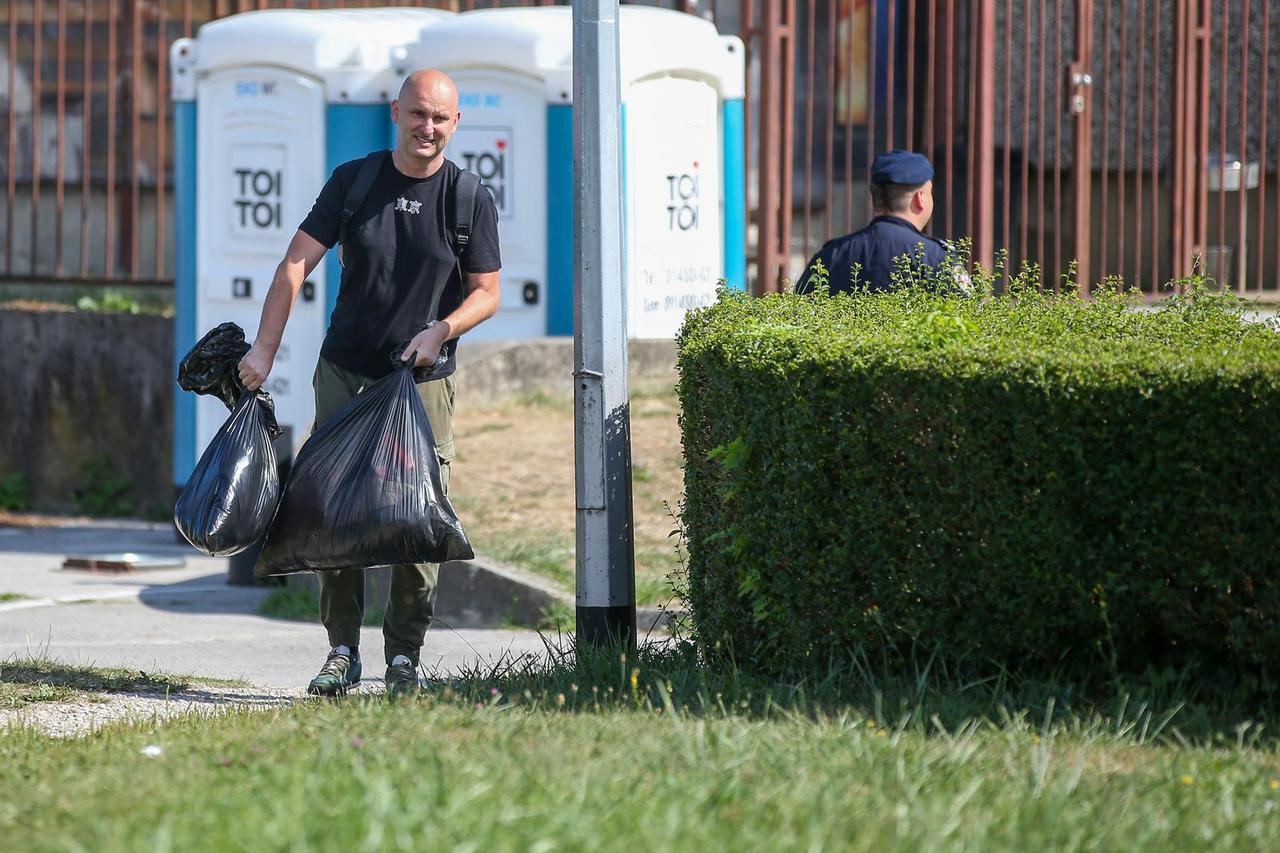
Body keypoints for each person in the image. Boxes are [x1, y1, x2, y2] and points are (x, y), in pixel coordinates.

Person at [236, 69, 501, 697]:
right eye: (417, 115)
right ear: (396, 112)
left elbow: (486, 293)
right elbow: (296, 262)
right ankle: (341, 651)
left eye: (440, 118)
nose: (427, 128)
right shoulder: (354, 181)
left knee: (416, 517)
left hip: (422, 382)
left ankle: (404, 656)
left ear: (456, 123)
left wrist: (442, 328)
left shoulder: (468, 199)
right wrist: (264, 350)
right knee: (335, 518)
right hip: (346, 373)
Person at [796, 149, 962, 294]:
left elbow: (800, 315)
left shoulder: (831, 256)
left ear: (874, 196)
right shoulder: (935, 257)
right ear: (920, 199)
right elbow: (967, 321)